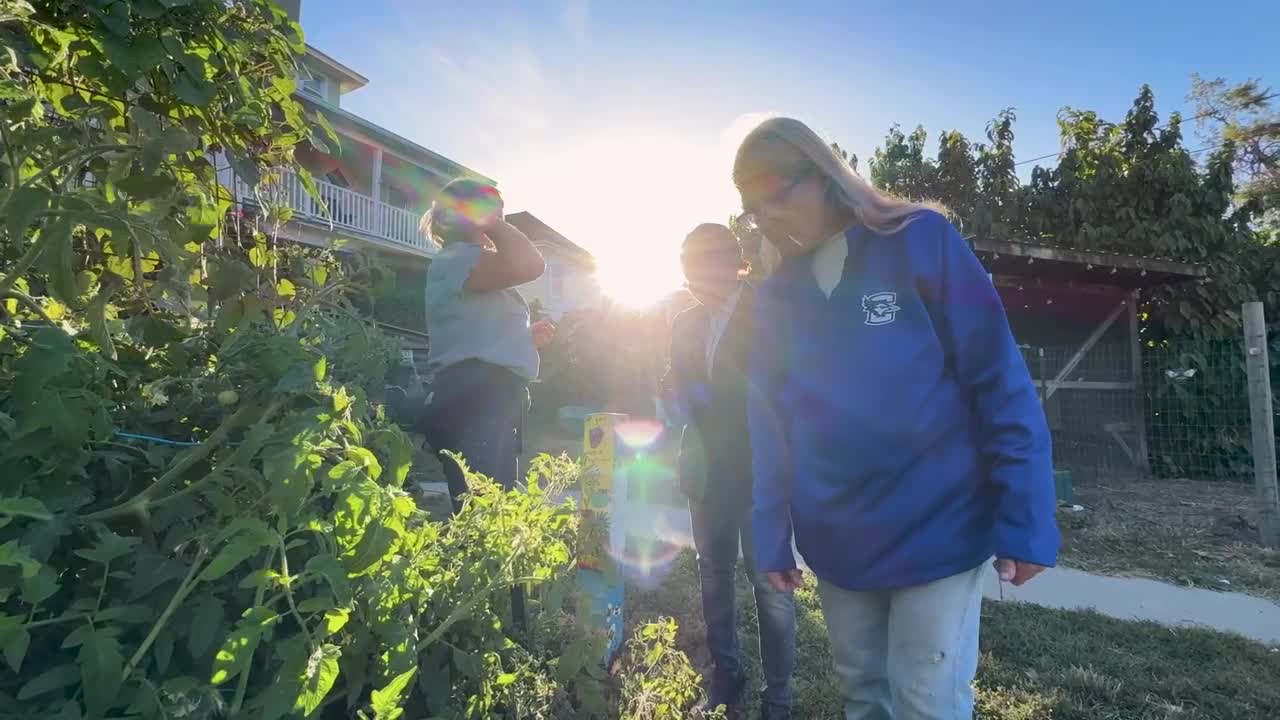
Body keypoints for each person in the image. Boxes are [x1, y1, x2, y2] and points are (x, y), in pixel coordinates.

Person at [732, 117, 1059, 720]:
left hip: (938, 522)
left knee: (925, 700)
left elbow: (998, 380)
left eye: (777, 194)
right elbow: (769, 425)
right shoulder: (777, 297)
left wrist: (1029, 515)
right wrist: (770, 533)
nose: (767, 216)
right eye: (754, 209)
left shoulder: (921, 239)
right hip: (837, 536)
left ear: (824, 175)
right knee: (864, 697)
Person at [663, 223, 797, 720]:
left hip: (761, 472)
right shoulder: (684, 322)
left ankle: (779, 698)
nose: (691, 278)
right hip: (707, 471)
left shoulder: (767, 310)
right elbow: (678, 382)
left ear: (730, 261)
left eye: (697, 266)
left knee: (770, 584)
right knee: (713, 574)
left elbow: (786, 388)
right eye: (685, 269)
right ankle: (726, 673)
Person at [420, 178, 548, 510]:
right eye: (496, 214)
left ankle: (476, 560)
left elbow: (474, 333)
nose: (500, 222)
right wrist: (492, 221)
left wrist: (525, 339)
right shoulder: (457, 259)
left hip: (481, 390)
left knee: (484, 504)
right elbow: (532, 265)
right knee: (487, 508)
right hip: (480, 394)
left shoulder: (466, 263)